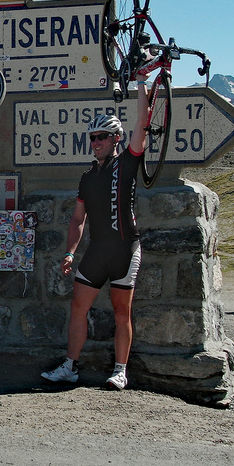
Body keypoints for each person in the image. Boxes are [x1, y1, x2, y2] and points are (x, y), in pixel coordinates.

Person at [41, 79, 152, 390]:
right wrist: (69, 252)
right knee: (78, 307)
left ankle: (120, 370)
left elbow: (143, 123)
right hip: (97, 250)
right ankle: (70, 366)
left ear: (116, 138)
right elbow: (78, 219)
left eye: (102, 137)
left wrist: (142, 84)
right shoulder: (88, 176)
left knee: (121, 311)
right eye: (92, 137)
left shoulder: (128, 162)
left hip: (125, 249)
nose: (96, 142)